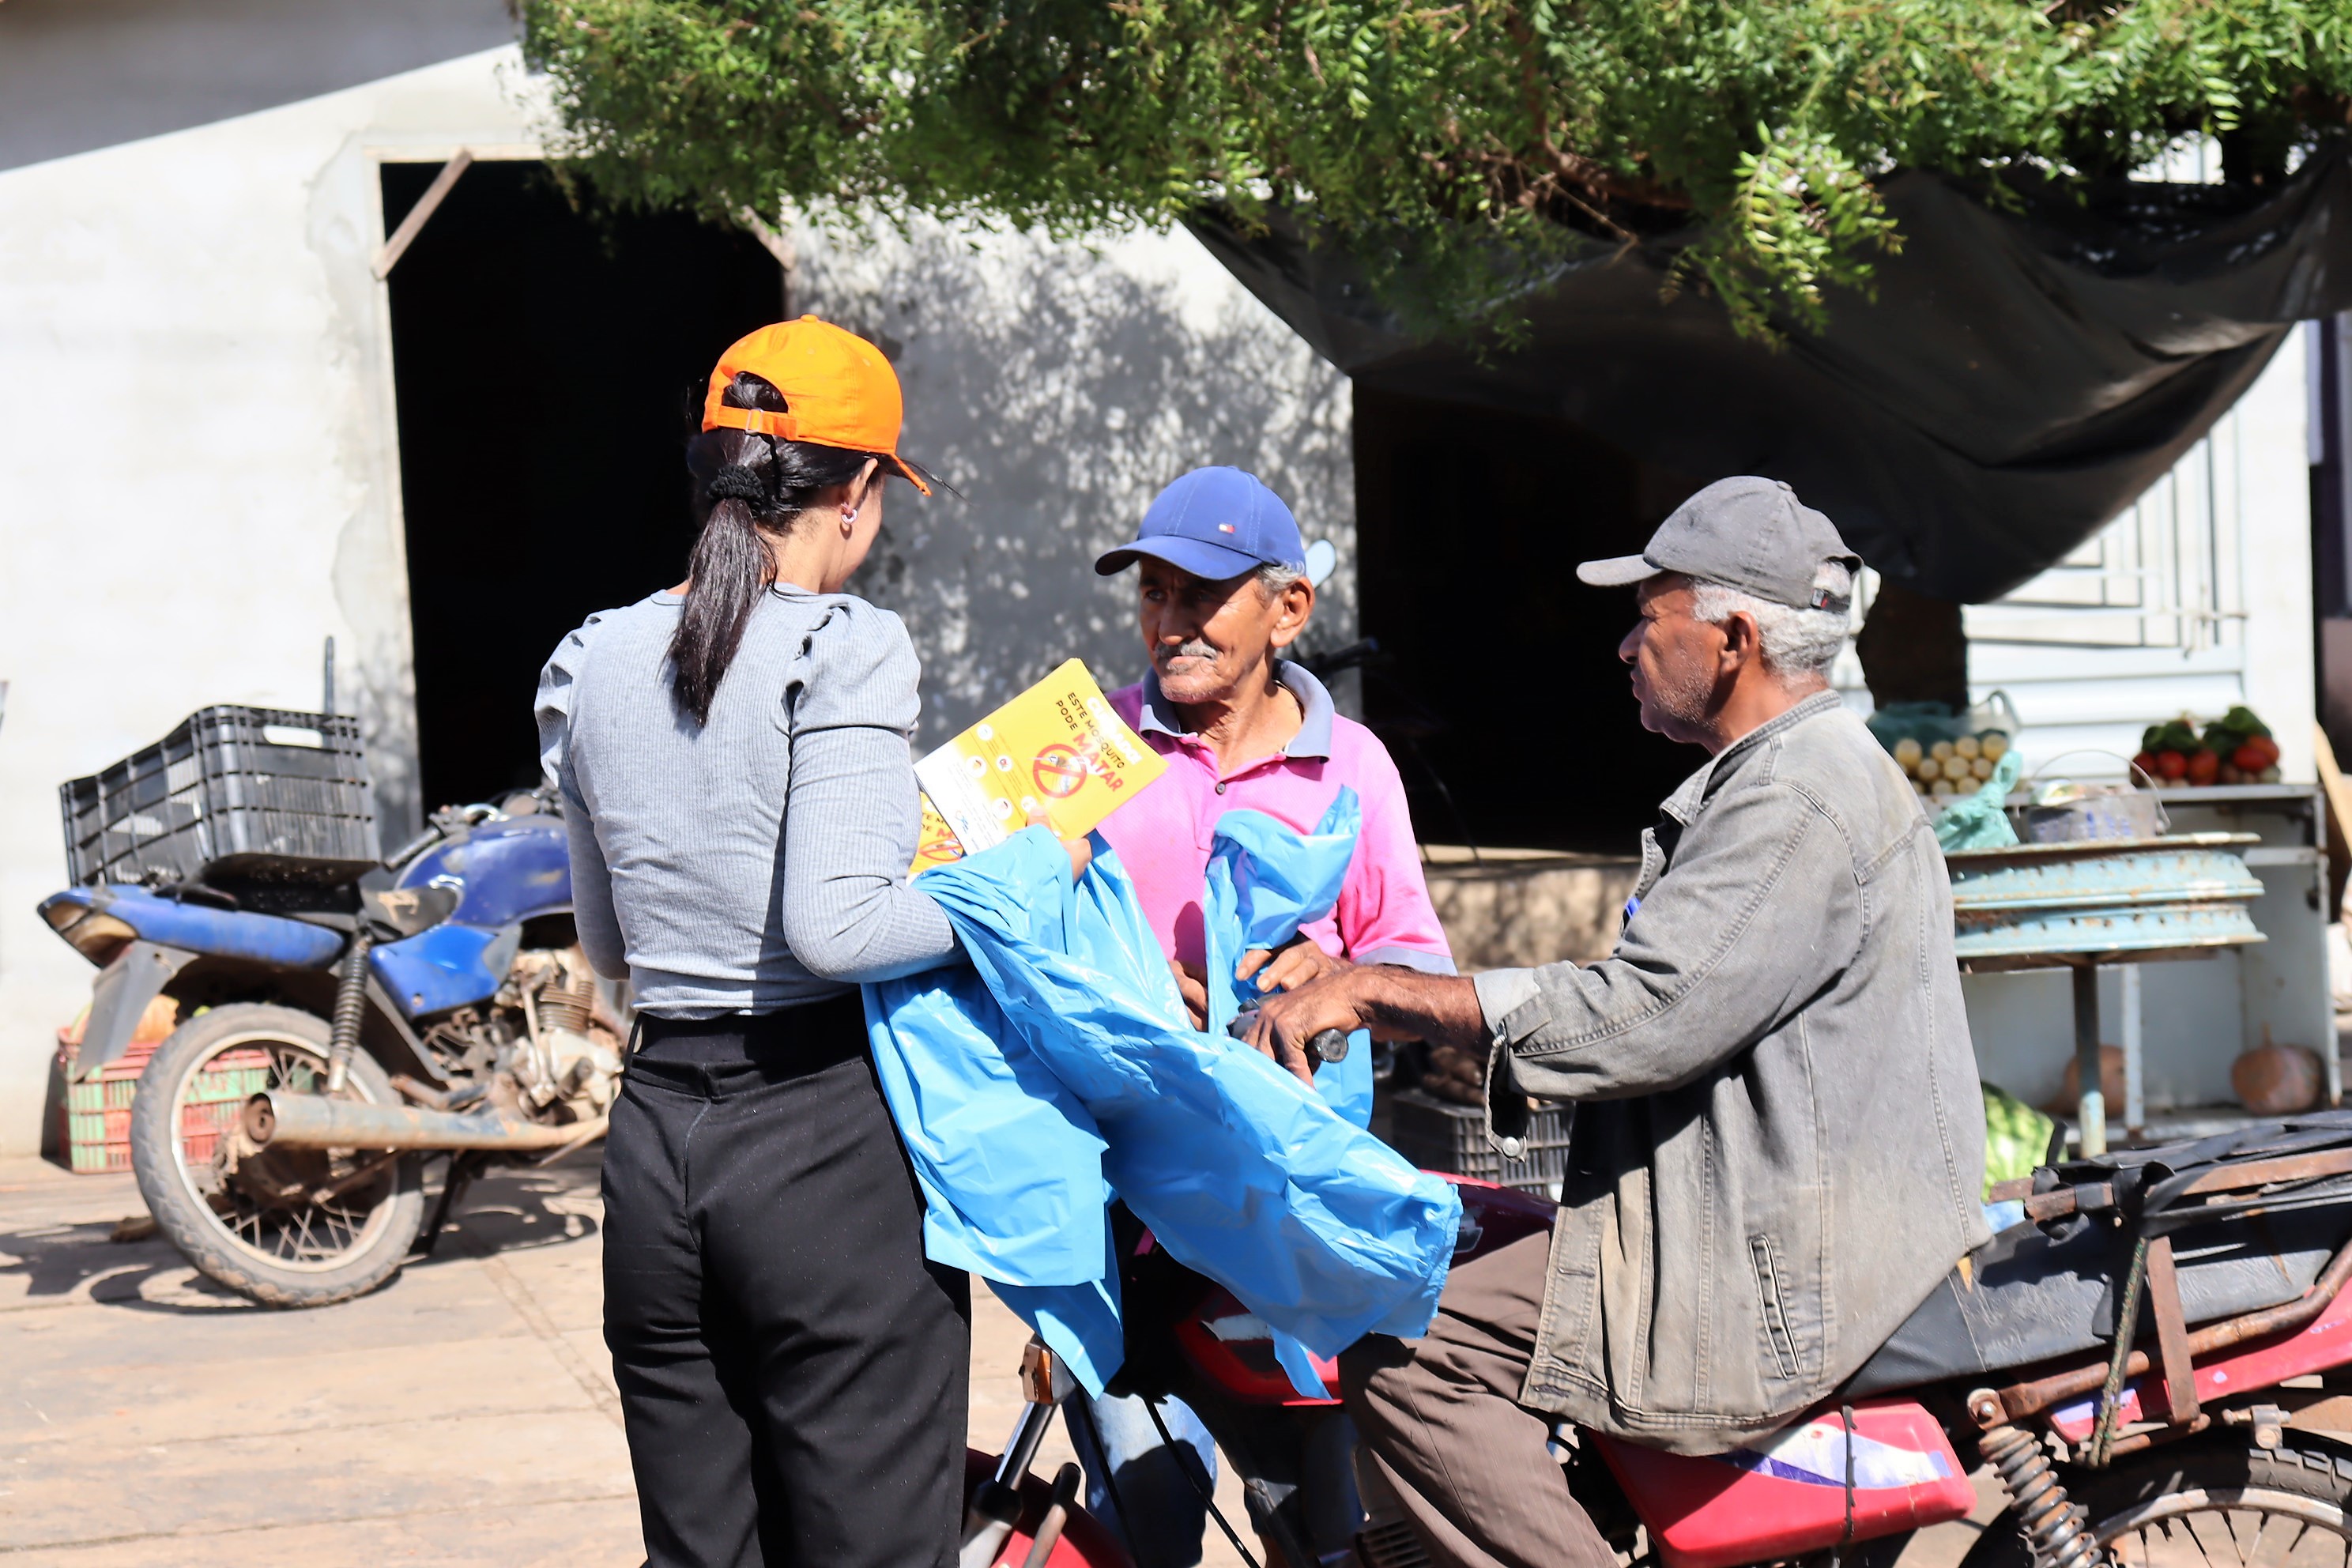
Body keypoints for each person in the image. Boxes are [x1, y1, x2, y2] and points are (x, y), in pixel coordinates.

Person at [1247, 477, 1992, 1568]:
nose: (1627, 645)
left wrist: (1374, 989)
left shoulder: (1795, 800)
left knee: (1406, 1336)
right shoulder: (1785, 778)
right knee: (1472, 1239)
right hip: (1771, 1217)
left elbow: (1642, 1015)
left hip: (1780, 1265)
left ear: (1733, 637)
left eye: (1652, 615)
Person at [537, 317, 1085, 1568]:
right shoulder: (845, 643)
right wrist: (1024, 870)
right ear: (857, 493)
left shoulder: (586, 661)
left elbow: (612, 945)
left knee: (701, 1551)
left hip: (656, 1143)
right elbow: (838, 933)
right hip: (818, 1148)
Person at [1074, 466, 1457, 1568]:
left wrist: (1332, 972)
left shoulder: (1353, 769)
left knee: (1313, 1523)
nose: (1168, 624)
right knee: (1142, 1523)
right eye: (1151, 594)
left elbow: (1415, 968)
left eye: (1200, 597)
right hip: (1118, 1212)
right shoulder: (1092, 750)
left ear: (1289, 609)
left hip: (1282, 1224)